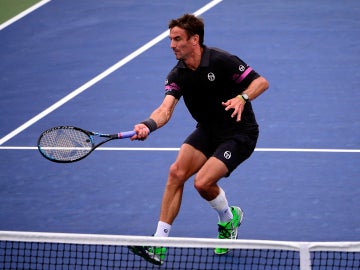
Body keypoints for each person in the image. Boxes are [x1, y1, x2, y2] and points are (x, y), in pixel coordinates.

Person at [128, 13, 269, 265]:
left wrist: (242, 98)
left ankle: (229, 218)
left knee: (203, 183)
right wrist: (148, 126)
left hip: (239, 132)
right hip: (207, 130)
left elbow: (260, 82)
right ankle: (159, 244)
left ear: (194, 40)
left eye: (177, 39)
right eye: (170, 39)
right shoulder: (177, 74)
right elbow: (165, 109)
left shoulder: (222, 60)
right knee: (176, 173)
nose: (171, 45)